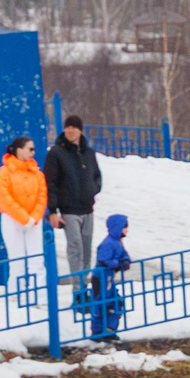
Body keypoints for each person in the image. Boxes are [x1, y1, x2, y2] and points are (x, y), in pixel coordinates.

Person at [43, 115, 103, 287]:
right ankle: (78, 290)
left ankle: (85, 283)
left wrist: (93, 189)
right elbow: (50, 182)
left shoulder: (88, 153)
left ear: (80, 131)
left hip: (88, 209)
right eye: (67, 127)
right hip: (69, 210)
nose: (70, 130)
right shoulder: (56, 153)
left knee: (86, 248)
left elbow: (97, 176)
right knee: (75, 248)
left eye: (74, 127)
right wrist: (53, 210)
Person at [0, 135, 49, 296]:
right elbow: (5, 198)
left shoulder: (37, 174)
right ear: (19, 150)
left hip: (33, 221)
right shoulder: (4, 172)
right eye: (30, 149)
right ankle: (16, 294)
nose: (33, 152)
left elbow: (42, 196)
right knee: (17, 260)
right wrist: (24, 218)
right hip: (12, 220)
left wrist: (34, 217)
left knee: (36, 260)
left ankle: (39, 295)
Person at [87, 213, 132, 342]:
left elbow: (124, 255)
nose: (126, 230)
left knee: (115, 303)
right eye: (125, 227)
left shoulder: (117, 243)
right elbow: (103, 259)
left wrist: (125, 261)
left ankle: (110, 329)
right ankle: (97, 332)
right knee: (100, 304)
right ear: (118, 227)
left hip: (109, 278)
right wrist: (117, 264)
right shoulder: (108, 243)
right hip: (100, 278)